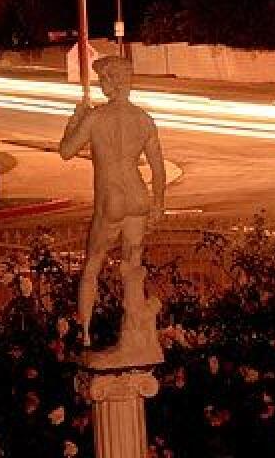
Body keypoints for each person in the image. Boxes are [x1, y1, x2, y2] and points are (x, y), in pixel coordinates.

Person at [59, 56, 165, 348]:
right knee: (132, 263)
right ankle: (134, 330)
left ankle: (86, 334)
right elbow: (157, 167)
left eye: (102, 80)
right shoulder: (144, 120)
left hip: (112, 198)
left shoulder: (96, 118)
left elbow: (66, 151)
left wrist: (74, 121)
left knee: (93, 264)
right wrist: (158, 202)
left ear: (110, 82)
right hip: (138, 194)